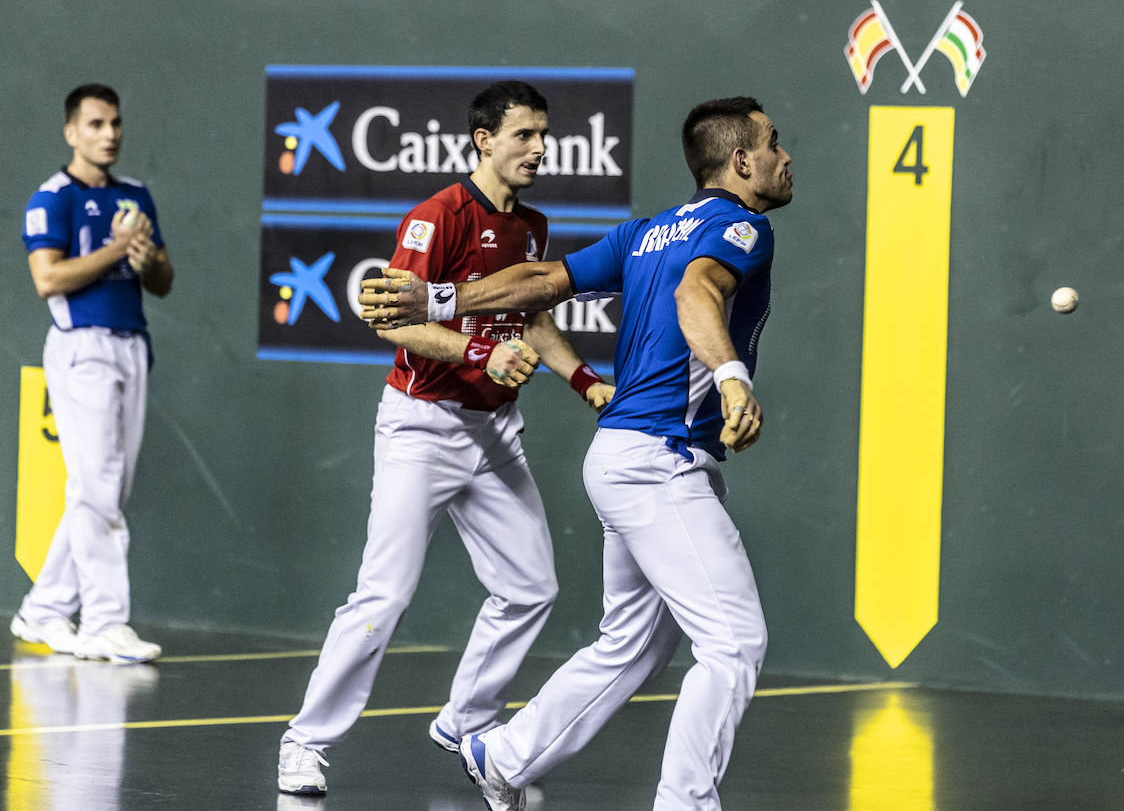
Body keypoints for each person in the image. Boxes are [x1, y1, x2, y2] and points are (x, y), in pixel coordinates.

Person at [360, 96, 791, 811]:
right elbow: (695, 294)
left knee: (632, 644)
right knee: (734, 642)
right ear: (741, 161)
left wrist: (438, 298)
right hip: (658, 460)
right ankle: (685, 804)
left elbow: (543, 283)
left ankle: (502, 755)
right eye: (774, 144)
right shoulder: (741, 227)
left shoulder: (647, 231)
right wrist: (732, 375)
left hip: (620, 458)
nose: (786, 157)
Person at [277, 81, 614, 796]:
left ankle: (466, 718)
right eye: (524, 135)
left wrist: (586, 381)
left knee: (530, 587)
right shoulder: (438, 217)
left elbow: (532, 316)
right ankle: (304, 741)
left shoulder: (531, 226)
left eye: (544, 135)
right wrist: (476, 352)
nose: (540, 148)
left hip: (495, 432)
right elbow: (393, 320)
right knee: (383, 595)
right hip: (422, 426)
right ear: (485, 140)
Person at [12, 84, 174, 665]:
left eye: (116, 123)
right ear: (72, 132)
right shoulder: (50, 198)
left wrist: (146, 257)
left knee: (104, 491)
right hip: (81, 350)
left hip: (132, 346)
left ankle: (45, 609)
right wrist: (116, 249)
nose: (110, 134)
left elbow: (162, 280)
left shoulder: (136, 196)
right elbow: (47, 280)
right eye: (97, 124)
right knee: (97, 488)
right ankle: (106, 622)